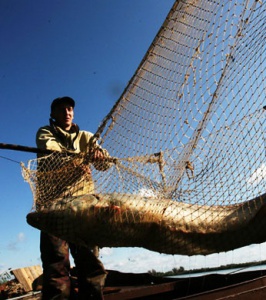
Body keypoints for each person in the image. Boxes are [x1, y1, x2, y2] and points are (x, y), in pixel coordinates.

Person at [36, 96, 110, 299]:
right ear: (53, 114)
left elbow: (105, 165)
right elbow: (51, 151)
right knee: (56, 262)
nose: (67, 112)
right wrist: (79, 161)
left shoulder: (86, 137)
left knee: (90, 261)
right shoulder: (45, 132)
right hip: (54, 207)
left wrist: (99, 156)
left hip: (83, 207)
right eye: (61, 109)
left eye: (69, 109)